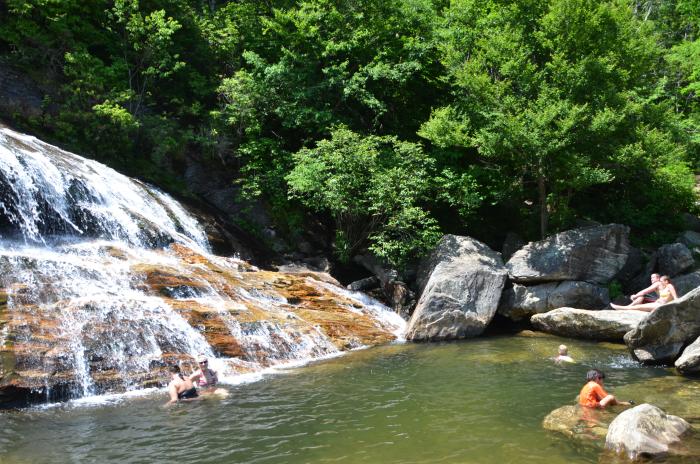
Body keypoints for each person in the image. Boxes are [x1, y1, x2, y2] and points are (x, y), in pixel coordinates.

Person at [611, 275, 678, 312]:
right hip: (658, 304)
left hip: (661, 306)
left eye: (661, 281)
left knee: (637, 307)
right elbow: (663, 297)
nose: (660, 282)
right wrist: (659, 299)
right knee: (638, 307)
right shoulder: (663, 288)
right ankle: (622, 308)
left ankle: (621, 308)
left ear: (666, 281)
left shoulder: (669, 286)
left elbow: (675, 298)